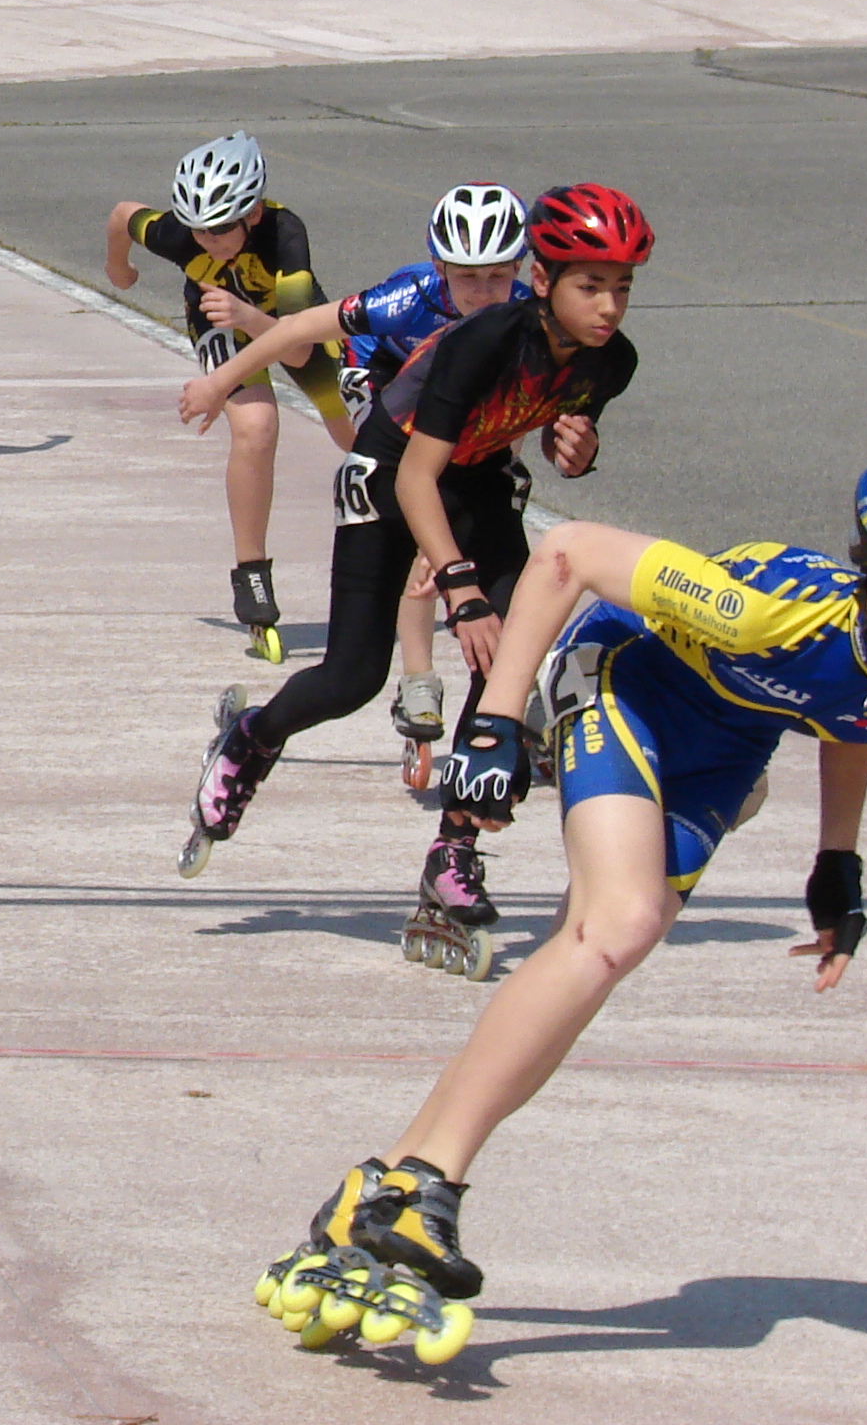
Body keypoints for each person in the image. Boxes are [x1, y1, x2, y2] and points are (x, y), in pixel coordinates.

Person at [255, 462, 867, 1352]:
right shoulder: (761, 613)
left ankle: (386, 1182)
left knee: (585, 964)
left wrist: (837, 863)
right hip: (623, 676)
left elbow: (858, 715)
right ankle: (432, 1178)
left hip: (728, 743)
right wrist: (496, 722)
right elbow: (570, 553)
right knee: (620, 923)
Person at [180, 187, 651, 975]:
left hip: (478, 479)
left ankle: (453, 853)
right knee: (353, 677)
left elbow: (551, 429)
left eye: (623, 287)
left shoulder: (614, 362)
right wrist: (460, 588)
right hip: (393, 470)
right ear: (544, 281)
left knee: (510, 659)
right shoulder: (480, 339)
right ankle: (251, 737)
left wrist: (577, 448)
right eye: (591, 286)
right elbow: (414, 478)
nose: (609, 307)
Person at [180, 186, 533, 785]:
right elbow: (296, 329)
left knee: (474, 513)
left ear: (520, 270)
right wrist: (220, 383)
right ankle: (417, 677)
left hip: (466, 415)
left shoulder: (528, 313)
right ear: (439, 267)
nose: (482, 292)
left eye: (498, 277)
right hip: (383, 383)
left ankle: (480, 751)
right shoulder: (407, 298)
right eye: (467, 277)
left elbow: (513, 422)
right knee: (419, 517)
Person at [107, 132, 353, 662]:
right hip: (218, 317)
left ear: (254, 213)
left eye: (221, 229)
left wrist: (248, 320)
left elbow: (298, 352)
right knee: (257, 426)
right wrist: (118, 268)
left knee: (355, 432)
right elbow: (123, 215)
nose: (209, 240)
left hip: (283, 323)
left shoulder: (286, 235)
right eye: (199, 229)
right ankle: (252, 574)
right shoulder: (182, 235)